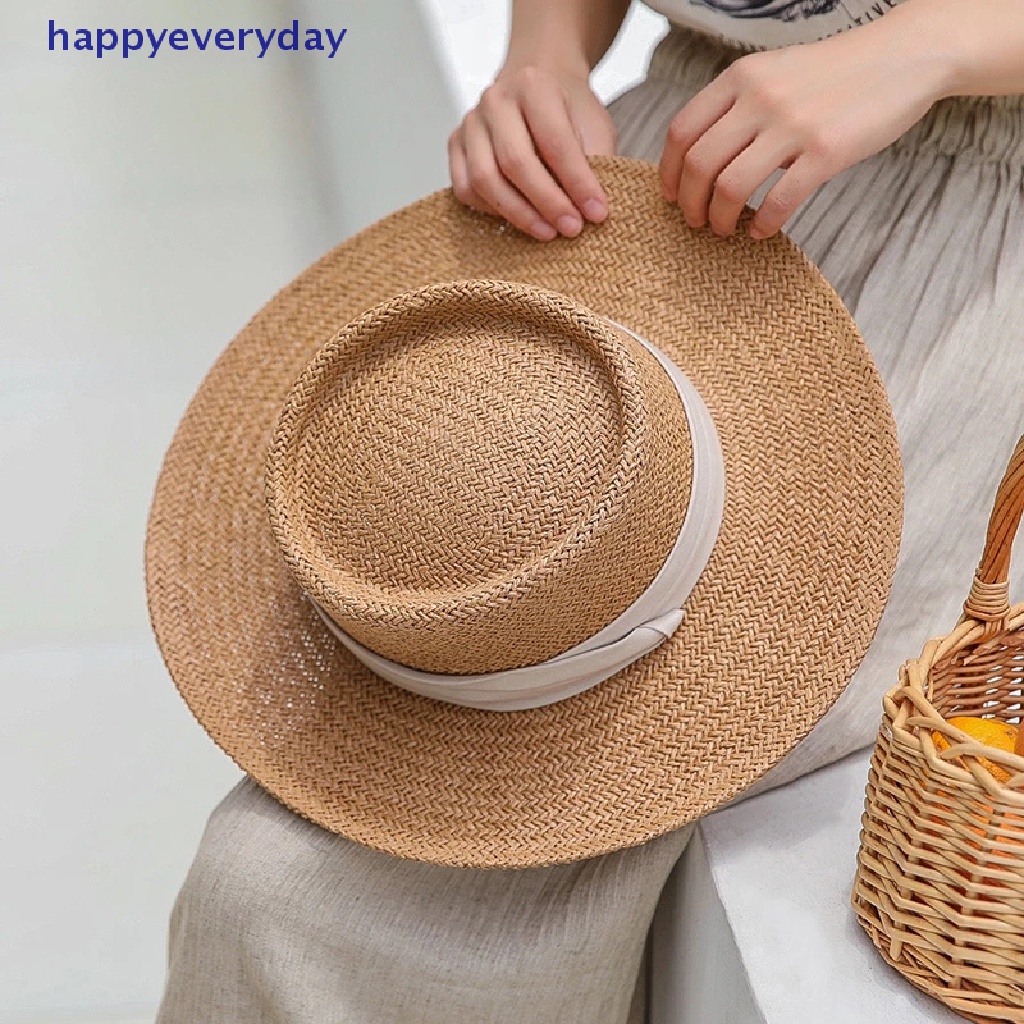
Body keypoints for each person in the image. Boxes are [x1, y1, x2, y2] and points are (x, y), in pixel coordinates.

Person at [155, 2, 1024, 1022]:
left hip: (956, 234)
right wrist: (544, 58)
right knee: (283, 865)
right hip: (661, 179)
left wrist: (926, 48)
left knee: (317, 881)